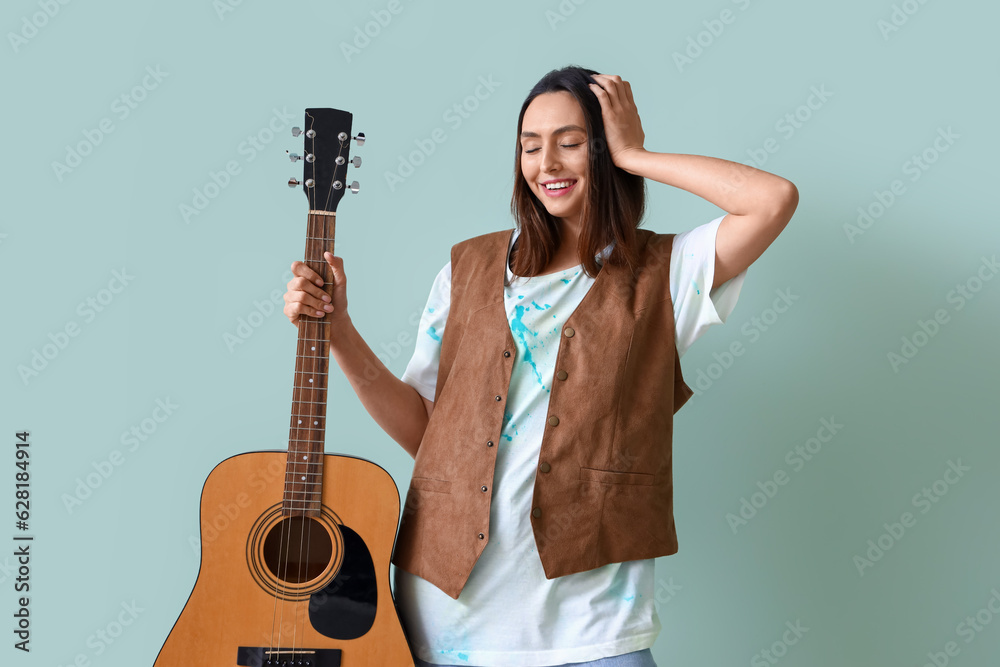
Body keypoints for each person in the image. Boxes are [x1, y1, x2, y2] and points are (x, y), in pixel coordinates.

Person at [282, 66, 798, 667]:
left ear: (605, 151)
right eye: (530, 146)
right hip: (445, 626)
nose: (547, 162)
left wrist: (637, 153)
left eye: (572, 142)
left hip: (593, 633)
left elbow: (771, 200)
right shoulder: (466, 269)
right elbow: (427, 432)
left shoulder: (666, 273)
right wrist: (339, 332)